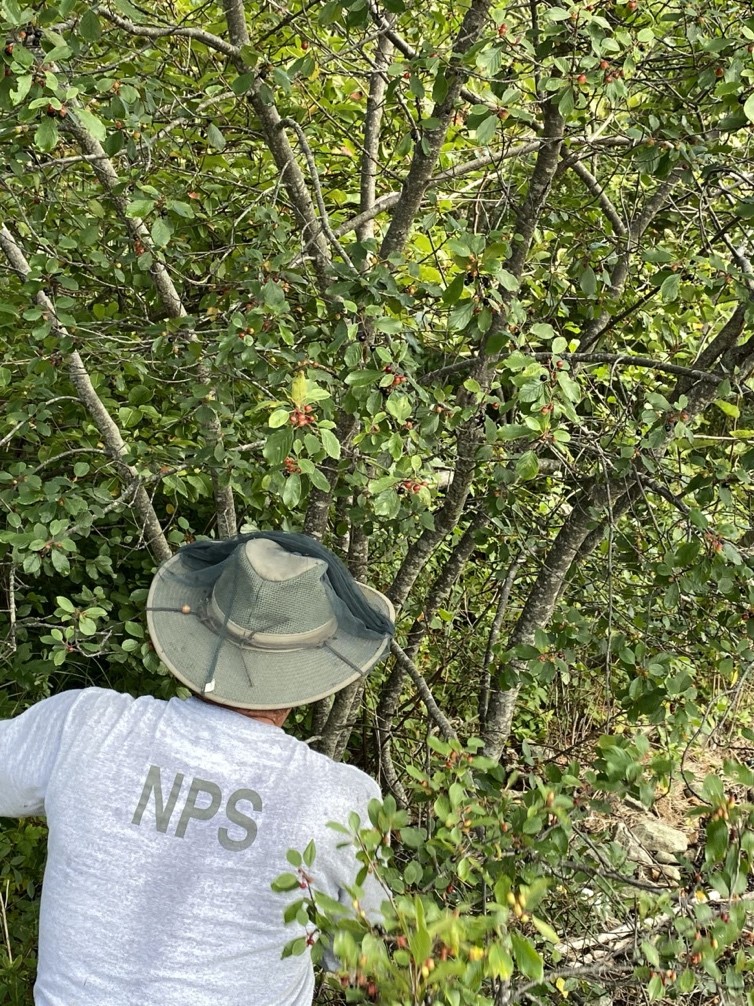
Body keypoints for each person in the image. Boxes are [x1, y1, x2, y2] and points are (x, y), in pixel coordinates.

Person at [0, 531, 395, 1006]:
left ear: (201, 630)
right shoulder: (335, 798)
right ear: (312, 669)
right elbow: (369, 962)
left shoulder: (86, 724)